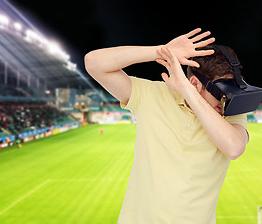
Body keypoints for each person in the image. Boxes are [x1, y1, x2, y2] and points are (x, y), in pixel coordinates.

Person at [85, 28, 249, 224]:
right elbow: (94, 63)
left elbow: (234, 147)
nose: (225, 99)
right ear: (195, 83)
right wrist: (161, 51)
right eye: (221, 91)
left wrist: (189, 93)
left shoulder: (231, 110)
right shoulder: (152, 95)